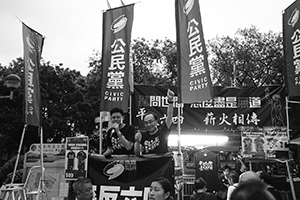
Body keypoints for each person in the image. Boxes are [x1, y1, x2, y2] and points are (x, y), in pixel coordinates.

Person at [134, 89, 175, 155]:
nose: (149, 124)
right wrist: (137, 141)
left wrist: (170, 101)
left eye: (150, 121)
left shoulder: (163, 132)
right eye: (146, 123)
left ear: (156, 121)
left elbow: (169, 116)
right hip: (147, 164)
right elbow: (137, 153)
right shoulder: (143, 135)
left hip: (162, 164)